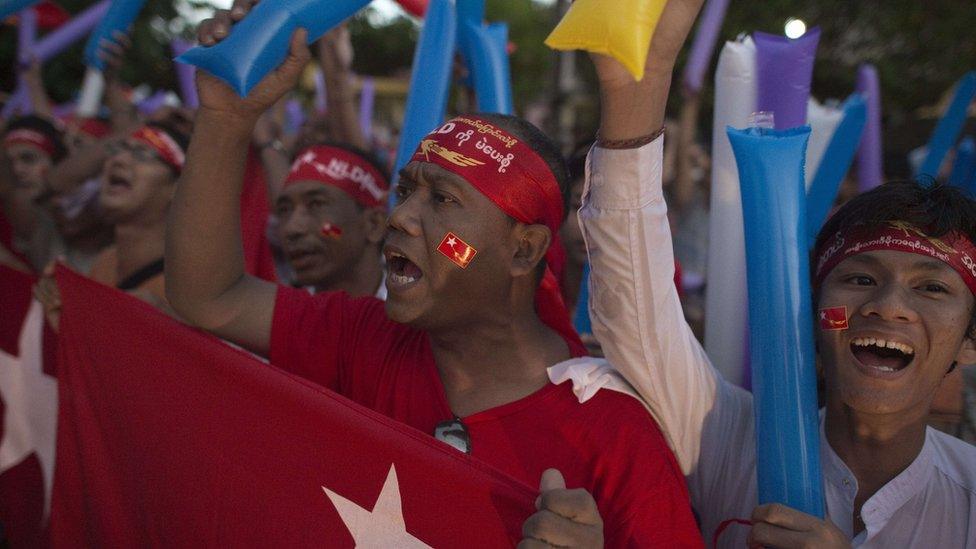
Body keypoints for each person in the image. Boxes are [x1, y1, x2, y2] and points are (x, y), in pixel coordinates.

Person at [166, 4, 703, 546]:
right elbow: (209, 296)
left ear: (524, 250)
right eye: (406, 192)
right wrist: (226, 120)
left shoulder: (613, 432)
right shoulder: (363, 338)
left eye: (443, 200)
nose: (399, 218)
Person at [578, 1, 976, 546]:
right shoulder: (729, 437)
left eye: (932, 287)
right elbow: (635, 314)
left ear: (970, 339)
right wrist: (635, 96)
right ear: (812, 313)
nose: (888, 305)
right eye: (859, 278)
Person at [274, 143, 388, 297]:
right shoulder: (280, 317)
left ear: (374, 224)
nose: (292, 228)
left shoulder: (420, 318)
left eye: (316, 204)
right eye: (284, 210)